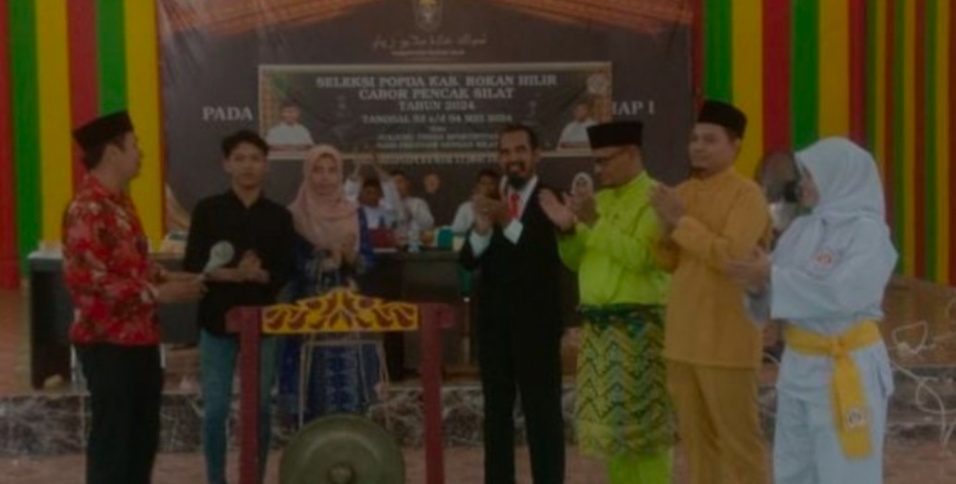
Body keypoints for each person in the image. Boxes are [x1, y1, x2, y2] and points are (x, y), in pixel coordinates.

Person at [727, 138, 896, 484]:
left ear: (838, 177)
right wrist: (756, 285)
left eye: (809, 176)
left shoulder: (869, 235)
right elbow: (771, 288)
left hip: (846, 367)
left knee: (846, 470)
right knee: (794, 469)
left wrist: (771, 276)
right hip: (798, 367)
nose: (800, 184)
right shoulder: (800, 230)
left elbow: (841, 293)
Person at [63, 110, 205, 484]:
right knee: (115, 444)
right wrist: (157, 292)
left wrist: (169, 277)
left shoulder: (122, 203)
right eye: (134, 145)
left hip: (141, 338)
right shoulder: (86, 208)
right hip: (107, 343)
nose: (141, 153)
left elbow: (132, 265)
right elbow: (88, 282)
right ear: (112, 152)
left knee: (141, 441)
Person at [540, 121, 673, 483]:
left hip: (639, 331)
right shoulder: (598, 202)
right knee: (613, 439)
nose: (598, 169)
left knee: (646, 436)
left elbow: (642, 258)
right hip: (599, 333)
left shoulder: (657, 198)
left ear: (632, 153)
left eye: (605, 160)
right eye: (595, 161)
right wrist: (567, 230)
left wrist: (594, 223)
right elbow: (576, 261)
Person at [650, 99, 772, 484]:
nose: (698, 147)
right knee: (697, 447)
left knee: (740, 445)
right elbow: (666, 262)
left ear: (735, 146)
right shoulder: (682, 192)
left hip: (728, 341)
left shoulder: (748, 195)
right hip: (683, 340)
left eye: (710, 140)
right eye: (694, 139)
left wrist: (680, 221)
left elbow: (731, 257)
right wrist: (666, 228)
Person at [183, 129, 296, 484]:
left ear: (266, 166)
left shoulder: (279, 216)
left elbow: (285, 270)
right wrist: (233, 274)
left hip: (263, 326)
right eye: (240, 158)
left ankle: (254, 478)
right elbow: (193, 265)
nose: (248, 166)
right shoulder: (207, 211)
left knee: (259, 409)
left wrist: (261, 275)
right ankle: (216, 479)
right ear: (226, 164)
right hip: (216, 323)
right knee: (216, 410)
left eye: (255, 159)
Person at [460, 124, 565, 484]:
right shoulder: (491, 197)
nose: (512, 158)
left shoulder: (552, 198)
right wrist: (481, 228)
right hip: (493, 328)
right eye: (505, 152)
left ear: (537, 155)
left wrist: (506, 222)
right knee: (496, 417)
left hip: (537, 328)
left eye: (520, 150)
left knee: (543, 416)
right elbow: (467, 260)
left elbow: (542, 257)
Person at [279, 144, 378, 422]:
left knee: (353, 390)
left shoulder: (354, 212)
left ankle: (352, 442)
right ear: (307, 174)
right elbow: (290, 263)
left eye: (332, 171)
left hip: (349, 311)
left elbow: (367, 262)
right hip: (308, 313)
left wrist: (350, 256)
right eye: (318, 170)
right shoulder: (294, 215)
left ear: (340, 175)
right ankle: (312, 445)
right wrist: (325, 260)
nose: (325, 178)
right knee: (310, 390)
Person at [344, 154, 405, 230]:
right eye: (368, 193)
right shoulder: (354, 210)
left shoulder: (387, 209)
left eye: (375, 193)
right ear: (361, 194)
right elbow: (349, 192)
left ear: (380, 194)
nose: (371, 196)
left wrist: (377, 166)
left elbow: (389, 188)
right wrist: (358, 167)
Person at [450, 168, 501, 235]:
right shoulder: (465, 207)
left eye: (492, 183)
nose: (488, 187)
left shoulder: (501, 208)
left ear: (497, 186)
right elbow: (457, 231)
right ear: (477, 185)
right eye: (484, 183)